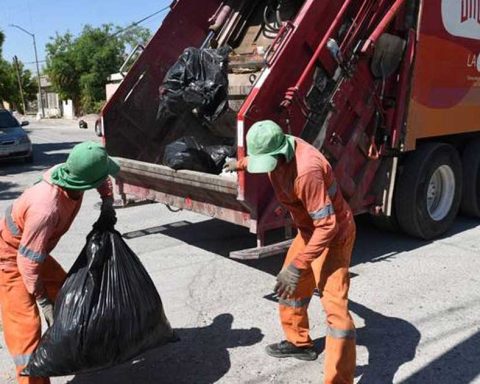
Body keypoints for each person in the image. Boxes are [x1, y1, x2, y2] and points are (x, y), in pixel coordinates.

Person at [224, 120, 357, 384]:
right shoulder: (277, 147)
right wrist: (238, 164)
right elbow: (258, 158)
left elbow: (327, 226)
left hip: (333, 235)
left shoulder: (307, 172)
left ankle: (339, 380)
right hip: (308, 231)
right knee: (291, 290)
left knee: (335, 310)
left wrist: (299, 266)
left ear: (280, 153)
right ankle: (299, 343)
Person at [0, 141, 120, 384]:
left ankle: (73, 352)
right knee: (26, 331)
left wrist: (107, 201)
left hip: (35, 254)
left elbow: (101, 177)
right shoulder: (46, 209)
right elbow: (27, 264)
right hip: (11, 259)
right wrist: (43, 301)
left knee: (68, 296)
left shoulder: (74, 173)